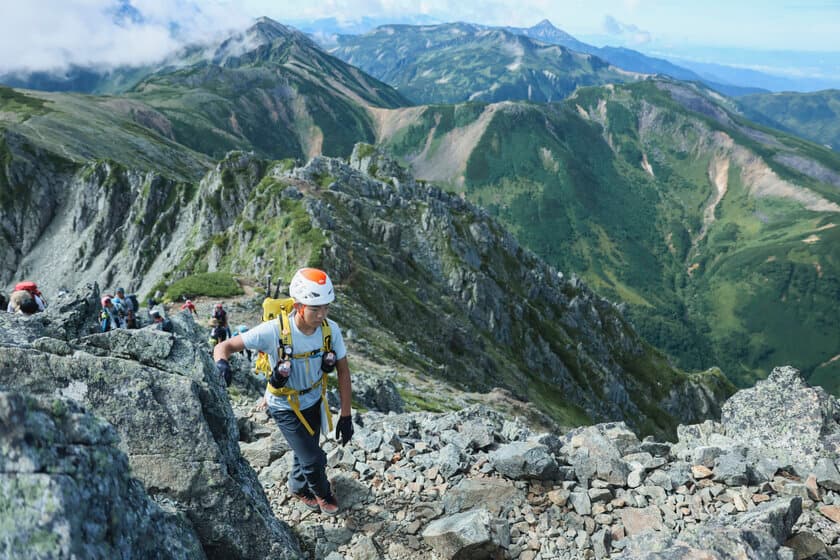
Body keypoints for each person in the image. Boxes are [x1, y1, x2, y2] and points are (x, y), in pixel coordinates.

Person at [213, 268, 353, 516]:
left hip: (313, 400)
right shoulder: (274, 331)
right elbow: (225, 346)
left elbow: (343, 372)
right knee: (313, 459)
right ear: (298, 306)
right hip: (283, 404)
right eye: (315, 308)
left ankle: (297, 487)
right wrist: (221, 363)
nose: (321, 314)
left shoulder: (331, 330)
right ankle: (322, 493)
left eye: (326, 307)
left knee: (307, 448)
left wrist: (345, 415)